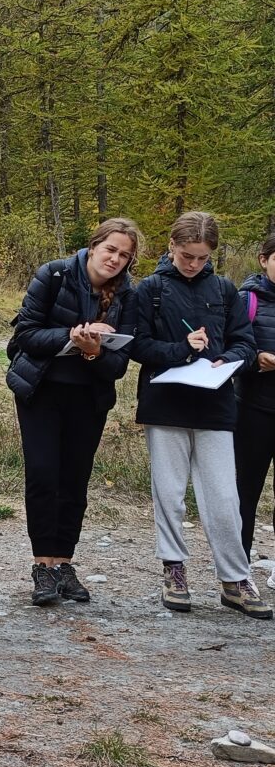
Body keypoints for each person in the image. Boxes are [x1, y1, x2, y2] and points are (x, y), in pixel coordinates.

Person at [131, 211, 271, 619]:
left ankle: (235, 579)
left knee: (224, 497)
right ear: (172, 246)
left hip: (216, 404)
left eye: (202, 257)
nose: (194, 264)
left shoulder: (225, 289)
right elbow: (138, 345)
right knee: (169, 492)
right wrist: (182, 349)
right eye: (187, 256)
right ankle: (174, 570)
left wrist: (227, 358)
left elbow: (244, 342)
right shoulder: (150, 289)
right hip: (165, 403)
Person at [6, 218, 140, 607]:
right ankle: (42, 565)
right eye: (110, 249)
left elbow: (119, 365)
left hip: (89, 397)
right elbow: (25, 335)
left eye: (124, 255)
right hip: (42, 391)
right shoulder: (54, 274)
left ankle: (64, 562)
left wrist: (94, 352)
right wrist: (71, 335)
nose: (115, 259)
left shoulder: (128, 294)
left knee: (74, 480)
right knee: (43, 474)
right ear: (93, 246)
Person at [233, 232, 275, 581]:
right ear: (264, 260)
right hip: (253, 409)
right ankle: (238, 570)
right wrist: (256, 359)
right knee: (245, 491)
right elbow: (230, 349)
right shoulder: (246, 300)